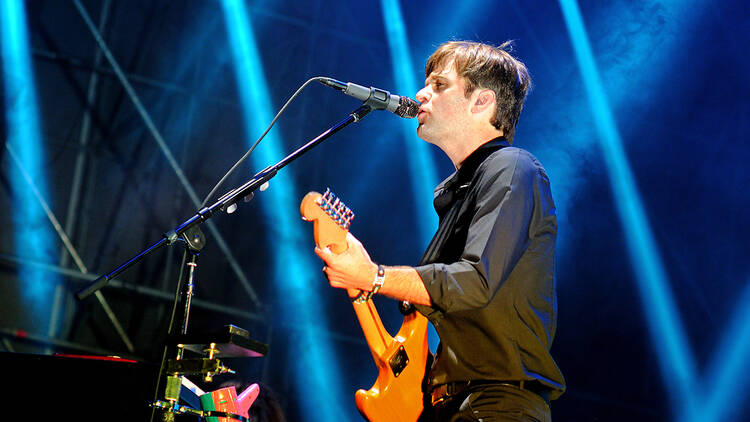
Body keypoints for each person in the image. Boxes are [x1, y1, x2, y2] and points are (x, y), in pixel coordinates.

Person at [314, 40, 565, 422]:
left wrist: (375, 276)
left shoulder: (514, 168)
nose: (419, 94)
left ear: (482, 102)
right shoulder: (459, 191)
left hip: (498, 406)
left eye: (439, 84)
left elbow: (475, 281)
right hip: (449, 405)